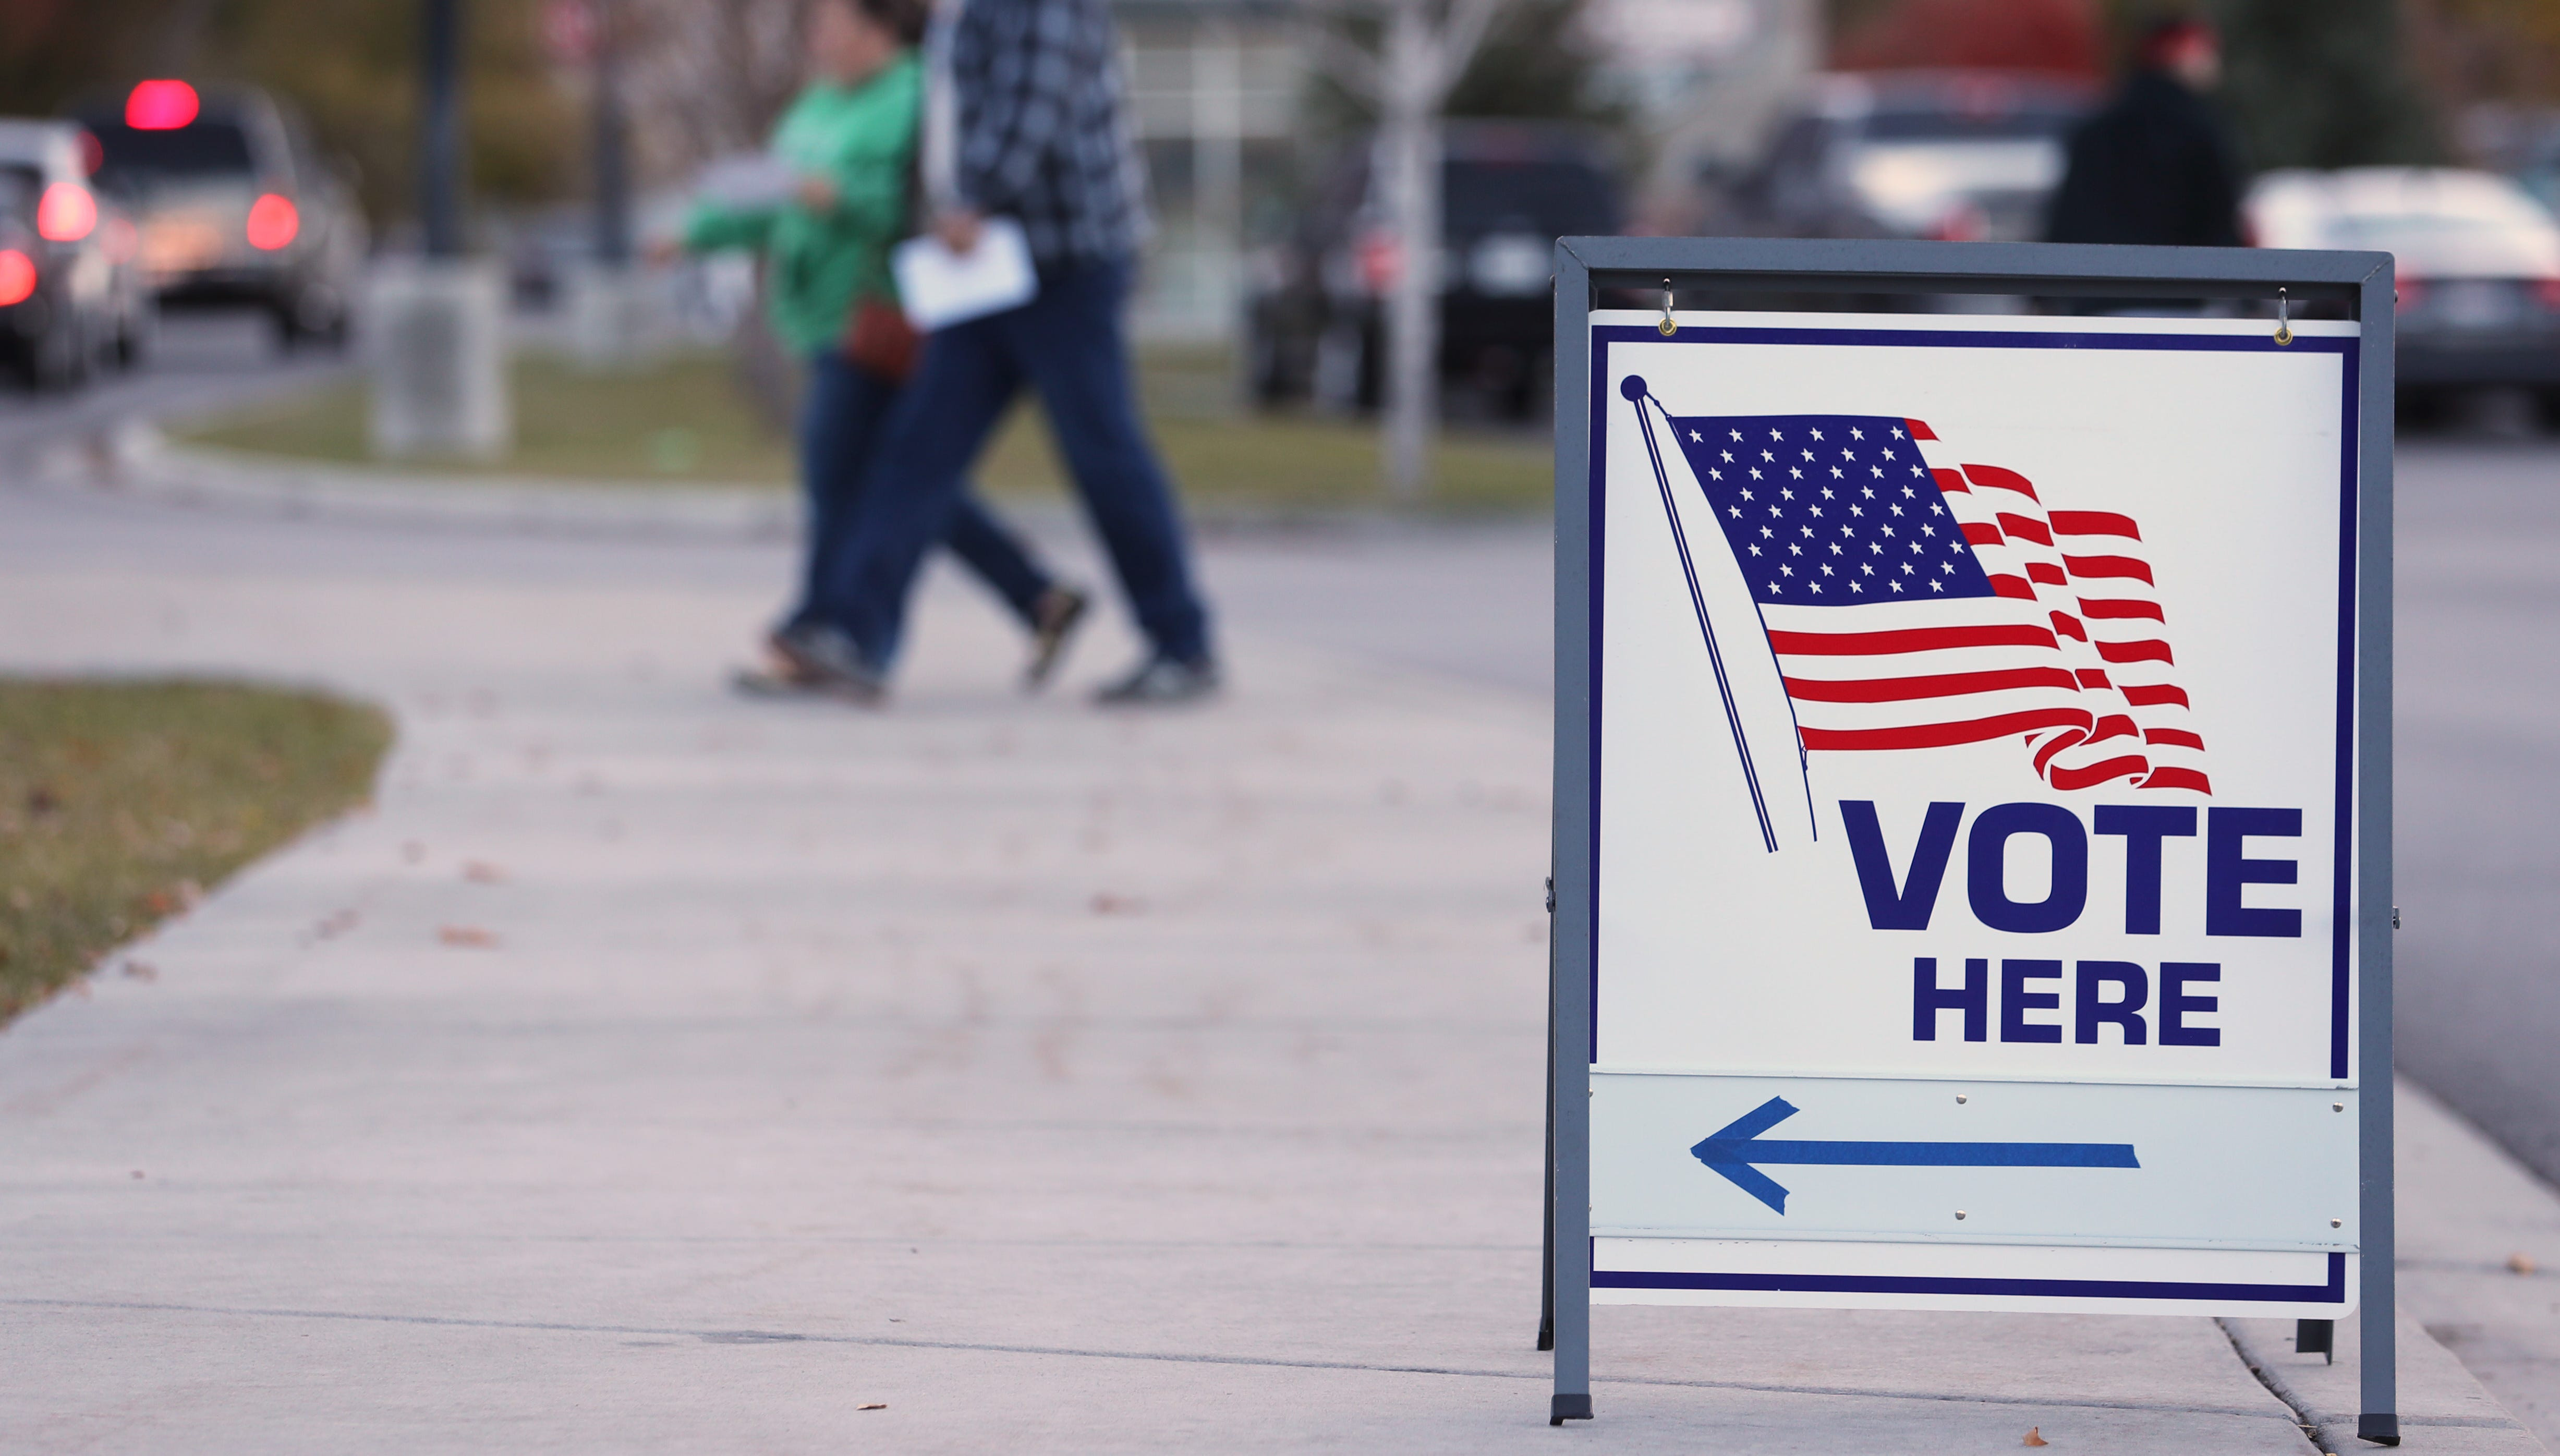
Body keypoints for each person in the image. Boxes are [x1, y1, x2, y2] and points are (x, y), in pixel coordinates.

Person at [781, 0, 1219, 706]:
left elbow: (1033, 108)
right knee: (916, 450)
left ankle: (1182, 643)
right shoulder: (961, 12)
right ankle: (856, 639)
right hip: (984, 267)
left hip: (1065, 266)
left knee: (1103, 454)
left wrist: (970, 202)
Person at [661, 0, 1088, 697]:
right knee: (900, 479)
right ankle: (1036, 597)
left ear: (878, 27)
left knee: (845, 474)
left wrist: (840, 195)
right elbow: (770, 195)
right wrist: (697, 233)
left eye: (832, 23)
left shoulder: (920, 93)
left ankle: (831, 632)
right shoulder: (820, 104)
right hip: (819, 313)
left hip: (881, 311)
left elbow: (918, 200)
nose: (818, 37)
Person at [2045, 15, 2245, 250]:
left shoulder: (2097, 129)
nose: (2211, 60)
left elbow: (2068, 222)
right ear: (2173, 53)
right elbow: (2218, 224)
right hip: (2177, 278)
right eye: (2202, 49)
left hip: (2097, 276)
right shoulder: (2198, 130)